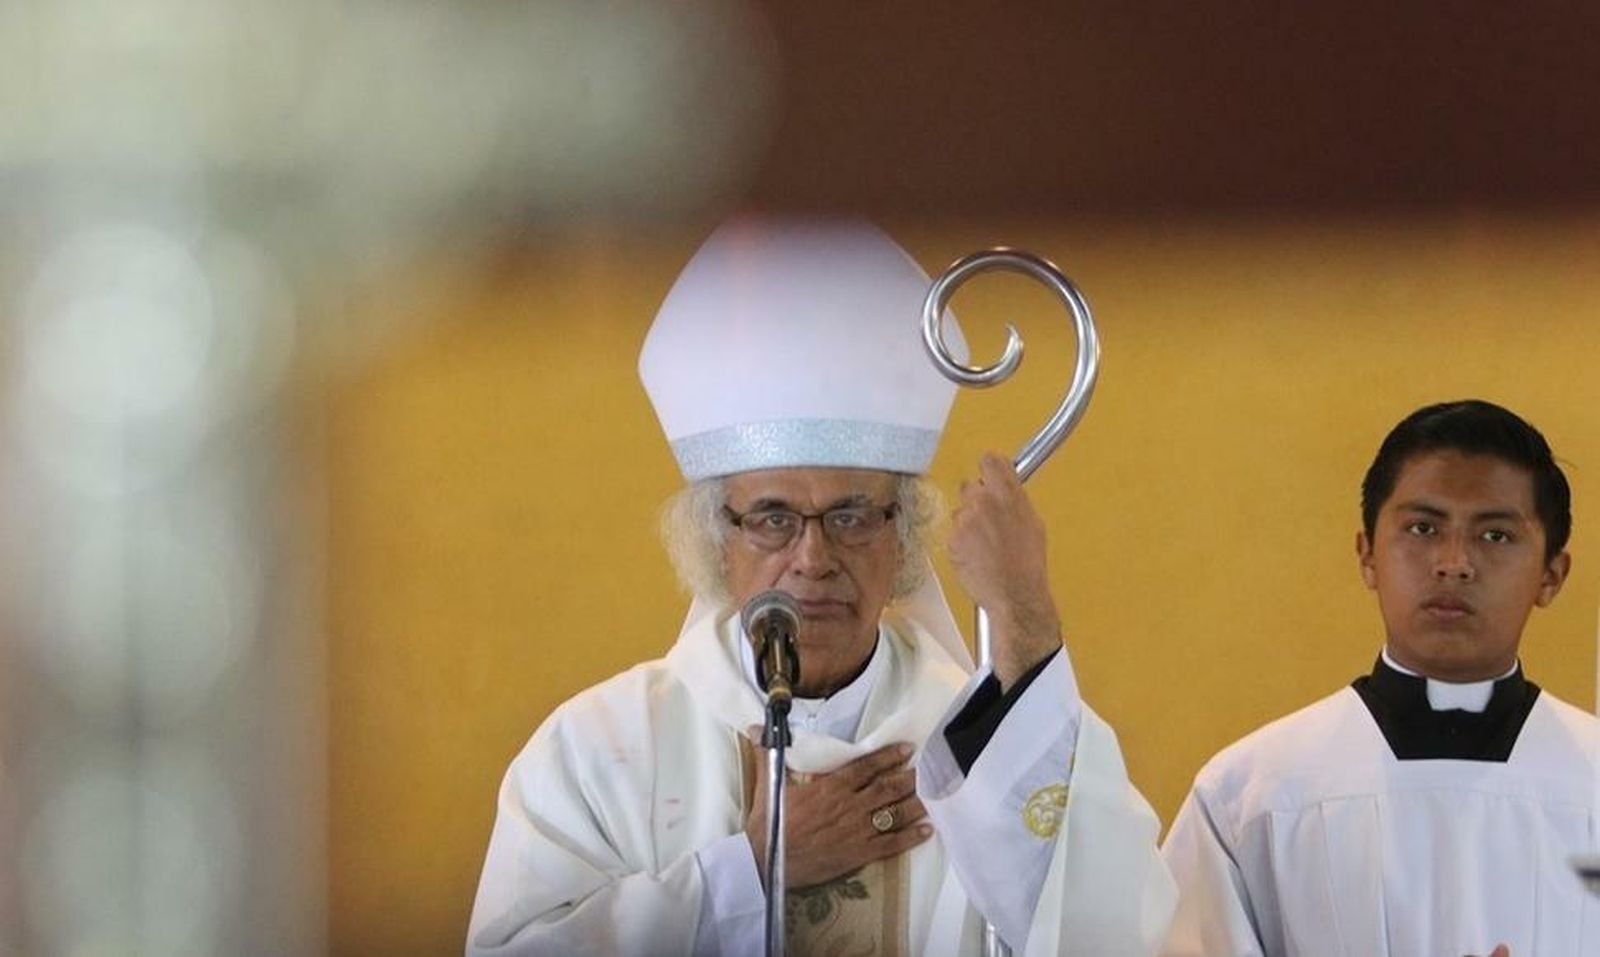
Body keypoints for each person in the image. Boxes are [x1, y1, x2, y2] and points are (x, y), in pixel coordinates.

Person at [467, 219, 1175, 956]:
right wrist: (753, 868)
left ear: (903, 535)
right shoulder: (603, 750)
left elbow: (1123, 929)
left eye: (851, 514)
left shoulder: (977, 748)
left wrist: (1024, 619)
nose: (812, 556)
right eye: (773, 518)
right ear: (718, 539)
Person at [1160, 400, 1600, 957]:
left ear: (1552, 575)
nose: (1453, 562)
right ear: (1368, 554)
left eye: (1495, 536)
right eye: (1423, 527)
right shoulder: (1251, 794)